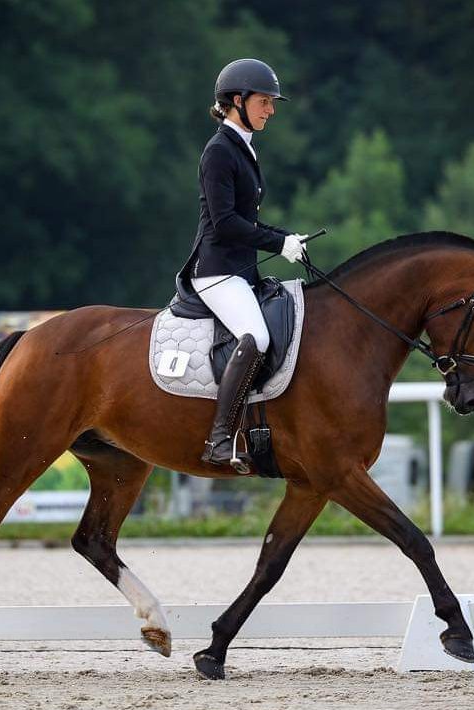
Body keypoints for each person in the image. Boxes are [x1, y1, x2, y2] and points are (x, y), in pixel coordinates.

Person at [177, 58, 307, 472]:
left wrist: (286, 237)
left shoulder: (241, 148)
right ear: (238, 100)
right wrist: (277, 240)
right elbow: (226, 223)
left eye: (271, 103)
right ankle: (218, 440)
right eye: (265, 102)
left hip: (239, 270)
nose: (271, 110)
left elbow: (245, 221)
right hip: (216, 271)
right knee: (257, 337)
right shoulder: (219, 151)